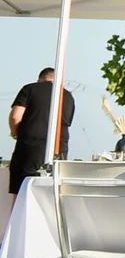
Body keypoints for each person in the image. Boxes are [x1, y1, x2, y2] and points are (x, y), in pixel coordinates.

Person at [7, 67, 75, 208]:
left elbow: (15, 116)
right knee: (50, 194)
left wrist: (15, 133)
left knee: (21, 191)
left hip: (30, 146)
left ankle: (18, 227)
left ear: (40, 79)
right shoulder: (67, 96)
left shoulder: (30, 89)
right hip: (58, 149)